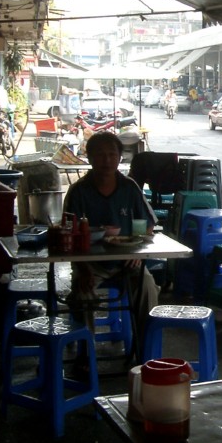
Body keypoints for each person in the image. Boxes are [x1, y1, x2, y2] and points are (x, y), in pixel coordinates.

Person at [63, 131, 156, 374]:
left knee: (147, 286)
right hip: (90, 264)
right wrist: (81, 268)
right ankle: (86, 355)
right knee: (83, 294)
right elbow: (68, 235)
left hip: (127, 261)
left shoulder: (129, 187)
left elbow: (148, 224)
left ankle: (145, 351)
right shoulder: (78, 191)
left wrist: (138, 251)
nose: (107, 160)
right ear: (90, 158)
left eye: (112, 154)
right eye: (100, 155)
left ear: (119, 158)